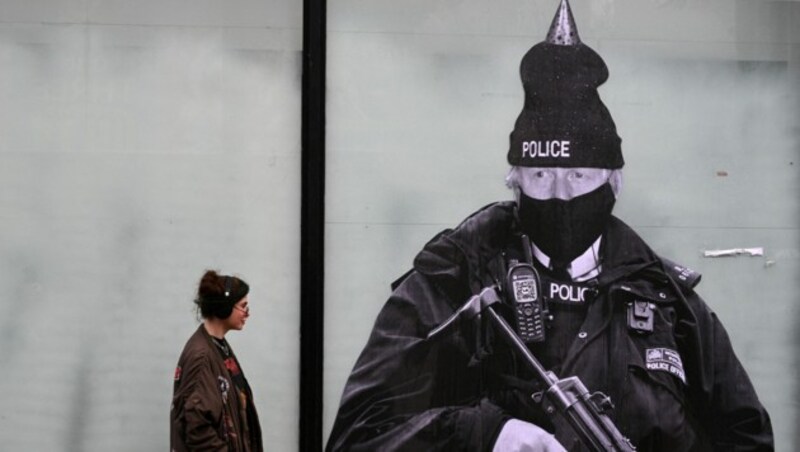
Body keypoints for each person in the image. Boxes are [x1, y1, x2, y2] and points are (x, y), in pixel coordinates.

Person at [326, 1, 774, 451]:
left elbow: (747, 439)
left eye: (580, 175)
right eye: (541, 175)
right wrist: (484, 434)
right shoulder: (447, 286)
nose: (562, 194)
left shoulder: (671, 304)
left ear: (615, 181)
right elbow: (358, 438)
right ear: (514, 179)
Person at [170, 270, 263, 452]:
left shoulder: (218, 347)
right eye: (243, 306)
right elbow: (197, 429)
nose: (247, 313)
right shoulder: (202, 356)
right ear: (225, 307)